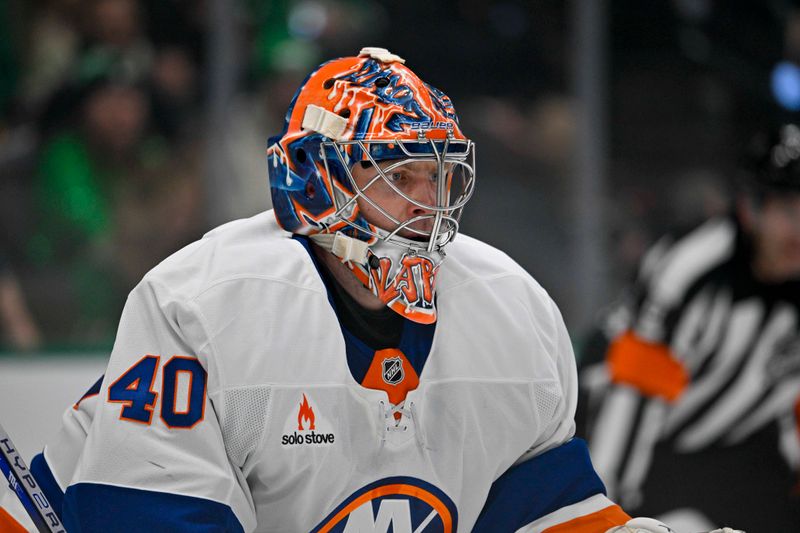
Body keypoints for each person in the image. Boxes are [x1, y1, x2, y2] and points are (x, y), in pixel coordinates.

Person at [1, 48, 740, 533]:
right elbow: (146, 516)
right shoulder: (202, 304)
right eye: (397, 175)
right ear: (321, 182)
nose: (428, 201)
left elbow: (550, 518)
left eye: (438, 172)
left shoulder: (512, 307)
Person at [579, 123, 800, 532]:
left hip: (723, 452)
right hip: (626, 444)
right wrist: (603, 515)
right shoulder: (691, 271)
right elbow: (631, 393)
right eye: (789, 211)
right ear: (751, 208)